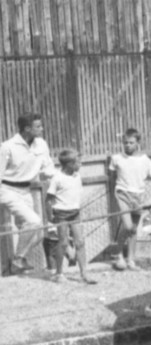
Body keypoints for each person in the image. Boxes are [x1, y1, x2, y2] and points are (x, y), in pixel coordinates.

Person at [2, 113, 56, 275]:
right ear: (27, 129)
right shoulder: (8, 146)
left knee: (38, 233)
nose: (42, 129)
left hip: (26, 191)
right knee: (34, 222)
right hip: (7, 190)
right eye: (38, 126)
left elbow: (48, 169)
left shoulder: (41, 144)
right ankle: (18, 260)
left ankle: (18, 261)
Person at [108, 127, 151, 271]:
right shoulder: (117, 159)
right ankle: (118, 253)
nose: (128, 145)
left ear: (138, 142)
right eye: (125, 143)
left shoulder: (145, 160)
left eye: (131, 143)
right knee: (127, 226)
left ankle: (131, 259)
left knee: (133, 229)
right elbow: (112, 178)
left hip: (138, 196)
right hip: (123, 194)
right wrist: (114, 195)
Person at [43, 148, 94, 284]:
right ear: (69, 164)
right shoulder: (57, 178)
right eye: (78, 162)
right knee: (63, 242)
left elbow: (76, 194)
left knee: (80, 242)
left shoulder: (77, 176)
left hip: (75, 213)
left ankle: (84, 273)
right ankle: (59, 273)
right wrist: (50, 217)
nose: (81, 164)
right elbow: (48, 200)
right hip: (61, 214)